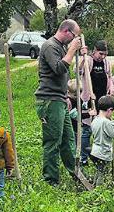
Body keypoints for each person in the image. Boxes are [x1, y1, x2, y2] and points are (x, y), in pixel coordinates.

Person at [34, 19, 82, 186]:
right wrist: (71, 50)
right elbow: (59, 68)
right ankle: (50, 180)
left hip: (59, 99)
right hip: (49, 101)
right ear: (67, 31)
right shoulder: (50, 46)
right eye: (75, 36)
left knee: (69, 139)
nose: (75, 39)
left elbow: (63, 76)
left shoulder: (59, 47)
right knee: (53, 141)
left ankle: (75, 173)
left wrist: (66, 96)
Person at [78, 40, 114, 161]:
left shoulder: (106, 63)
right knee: (87, 129)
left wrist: (111, 87)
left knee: (101, 127)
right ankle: (83, 157)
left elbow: (110, 77)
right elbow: (78, 71)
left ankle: (99, 154)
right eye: (100, 53)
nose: (102, 56)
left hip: (102, 100)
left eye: (105, 54)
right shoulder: (88, 60)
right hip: (89, 99)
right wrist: (83, 57)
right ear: (94, 51)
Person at [90, 95, 114, 186]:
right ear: (109, 110)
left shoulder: (95, 119)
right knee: (102, 172)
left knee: (99, 170)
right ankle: (99, 189)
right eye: (112, 112)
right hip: (103, 151)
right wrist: (113, 122)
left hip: (95, 150)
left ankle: (94, 184)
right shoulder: (106, 122)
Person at [67, 79, 97, 164]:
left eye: (80, 93)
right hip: (72, 125)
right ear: (69, 92)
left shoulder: (77, 98)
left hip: (77, 125)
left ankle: (80, 157)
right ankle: (76, 159)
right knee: (75, 142)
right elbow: (75, 115)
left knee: (78, 140)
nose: (77, 96)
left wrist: (90, 102)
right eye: (75, 94)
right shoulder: (69, 101)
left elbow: (83, 105)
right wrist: (88, 114)